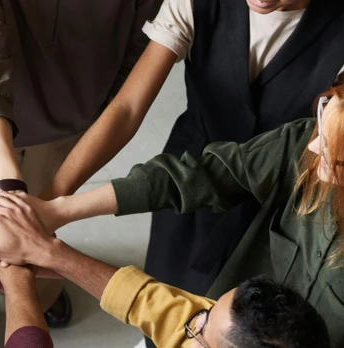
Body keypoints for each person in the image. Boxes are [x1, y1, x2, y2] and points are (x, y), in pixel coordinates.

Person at [40, 2, 344, 345]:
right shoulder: (299, 142)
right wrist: (51, 207)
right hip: (189, 185)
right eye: (323, 110)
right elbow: (135, 117)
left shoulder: (306, 147)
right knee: (181, 293)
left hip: (276, 202)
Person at [0, 85, 344, 345]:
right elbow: (160, 308)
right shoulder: (312, 141)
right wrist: (47, 235)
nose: (313, 147)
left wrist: (22, 276)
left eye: (335, 155)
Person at [0, 0, 163, 334]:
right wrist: (11, 195)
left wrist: (30, 214)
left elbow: (138, 54)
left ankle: (39, 289)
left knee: (45, 218)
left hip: (74, 107)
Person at [0, 191, 331, 348]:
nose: (191, 318)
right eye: (205, 312)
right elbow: (153, 303)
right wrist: (44, 252)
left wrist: (15, 279)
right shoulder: (222, 331)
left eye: (200, 333)